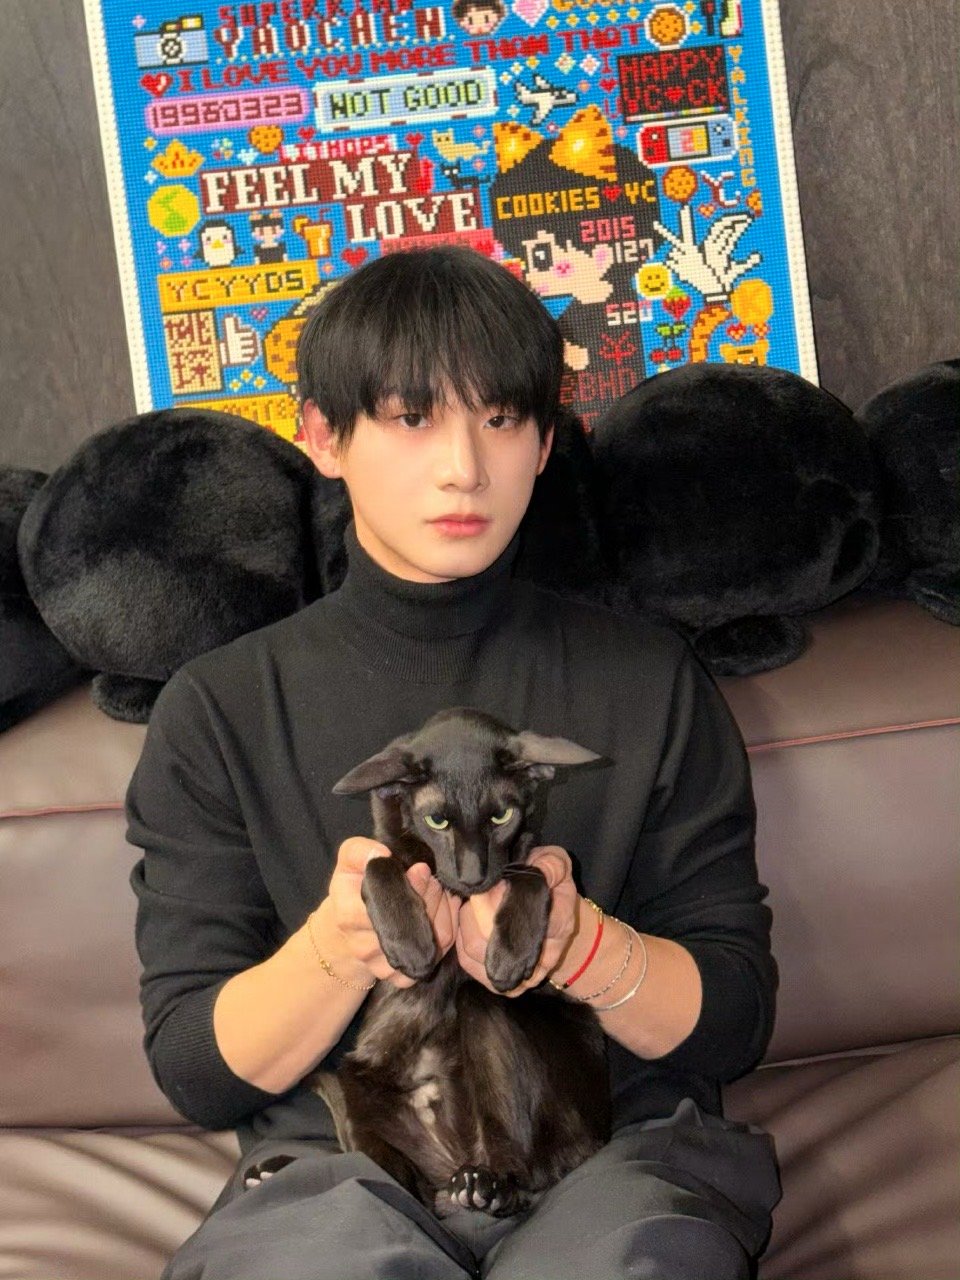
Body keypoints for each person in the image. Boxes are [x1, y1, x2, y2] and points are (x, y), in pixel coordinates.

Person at [126, 245, 781, 1280]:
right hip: (343, 1178)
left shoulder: (650, 679)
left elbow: (734, 1017)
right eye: (412, 417)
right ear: (324, 436)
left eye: (503, 418)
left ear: (546, 441)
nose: (464, 467)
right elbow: (197, 1070)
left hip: (614, 1164)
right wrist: (340, 948)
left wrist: (585, 948)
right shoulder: (220, 710)